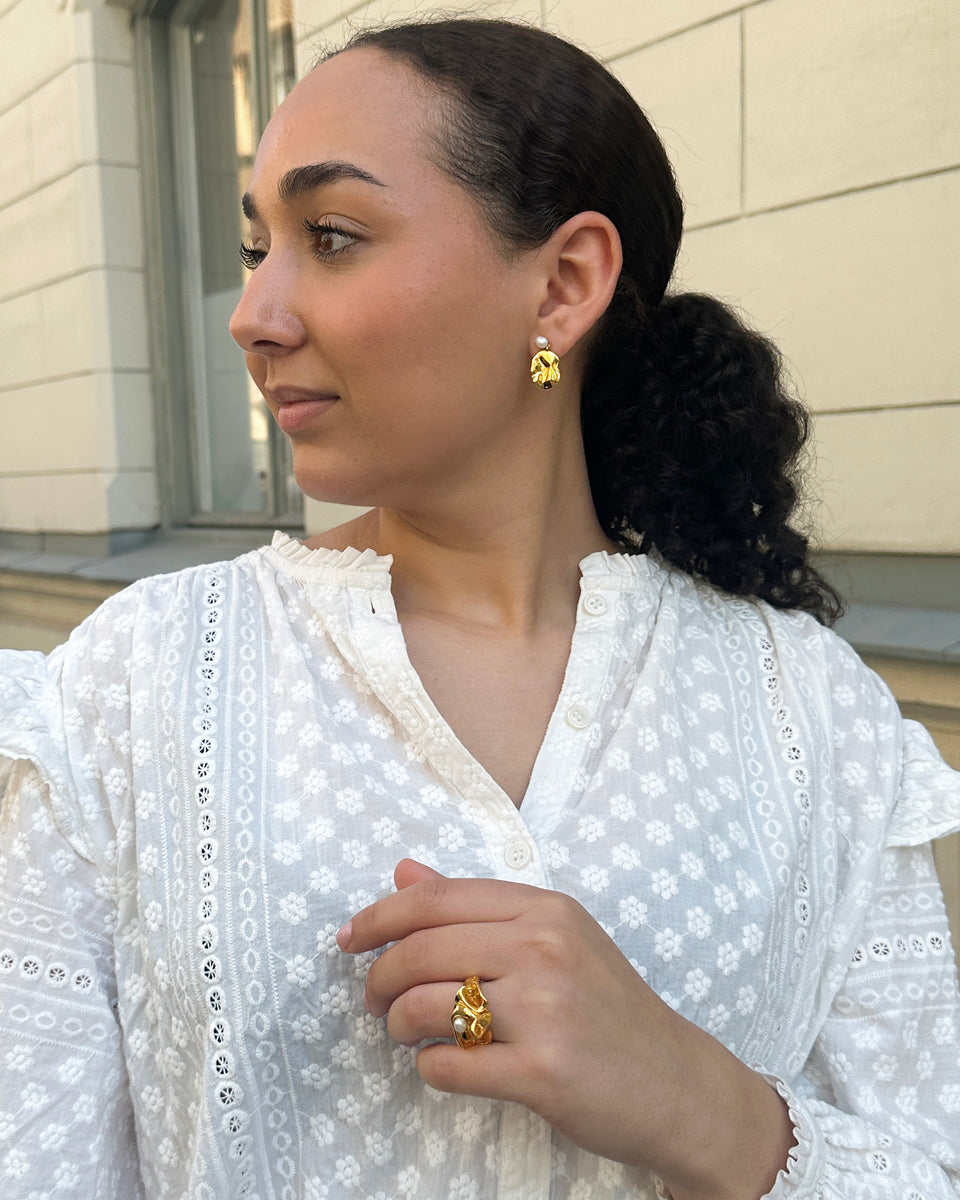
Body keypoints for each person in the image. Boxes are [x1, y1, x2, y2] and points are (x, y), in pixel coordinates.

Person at [1, 16, 958, 1199]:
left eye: (333, 237)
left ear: (562, 286)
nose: (254, 316)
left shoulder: (820, 724)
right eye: (257, 250)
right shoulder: (132, 689)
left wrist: (706, 1106)